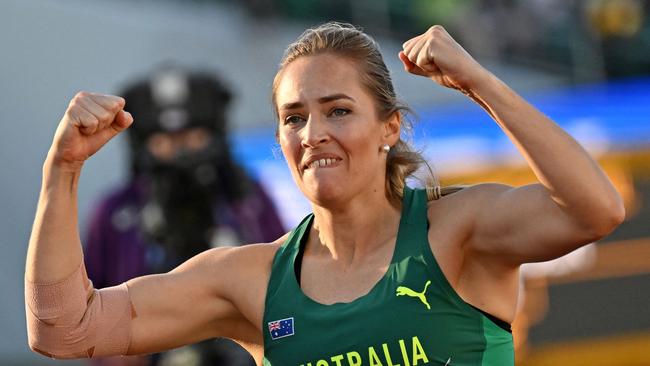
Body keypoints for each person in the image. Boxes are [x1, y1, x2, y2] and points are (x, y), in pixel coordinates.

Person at [25, 22, 625, 365]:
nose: (313, 135)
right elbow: (65, 329)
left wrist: (480, 82)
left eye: (338, 110)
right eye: (293, 118)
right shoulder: (251, 281)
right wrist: (63, 170)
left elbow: (596, 208)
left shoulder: (459, 230)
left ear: (390, 126)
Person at [84, 68, 284, 366]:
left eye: (193, 137)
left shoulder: (247, 199)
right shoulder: (116, 211)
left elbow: (287, 280)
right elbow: (84, 312)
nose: (180, 153)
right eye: (164, 140)